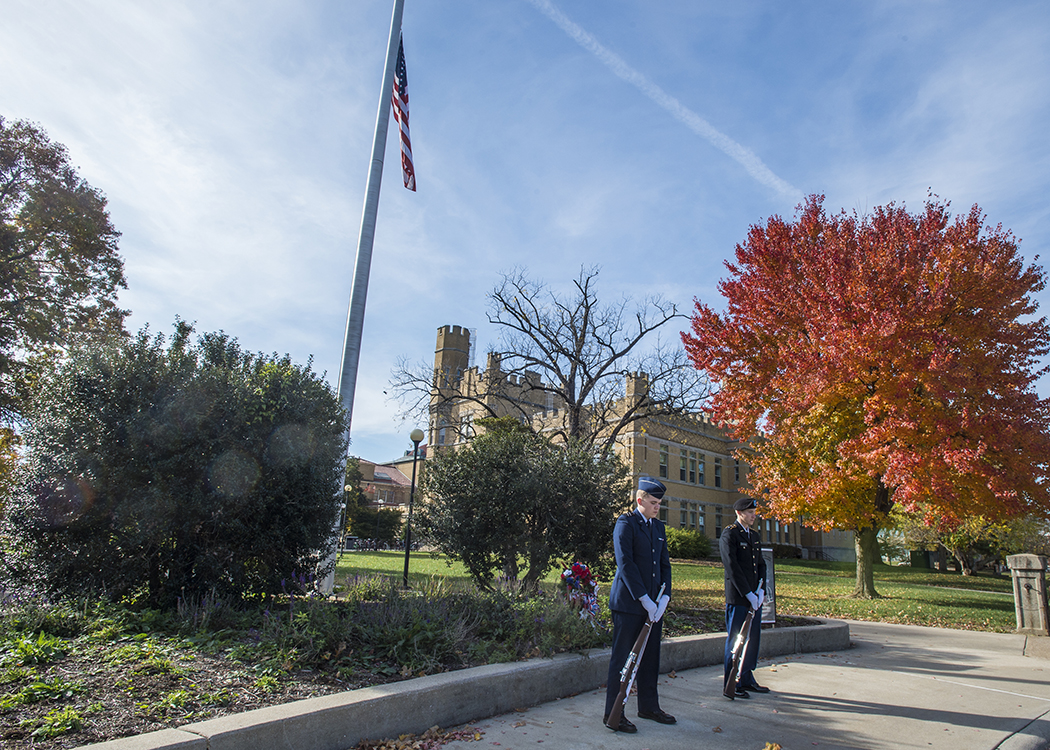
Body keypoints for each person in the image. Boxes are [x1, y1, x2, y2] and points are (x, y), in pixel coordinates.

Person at [603, 476, 675, 733]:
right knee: (622, 660)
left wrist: (664, 597)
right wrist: (644, 597)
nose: (658, 507)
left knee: (651, 658)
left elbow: (664, 564)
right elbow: (626, 563)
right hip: (629, 604)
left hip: (654, 606)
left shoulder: (658, 528)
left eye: (659, 503)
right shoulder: (626, 523)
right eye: (653, 502)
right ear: (639, 500)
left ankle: (648, 706)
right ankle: (614, 712)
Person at [720, 496, 769, 698]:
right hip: (739, 597)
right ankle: (730, 681)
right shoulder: (730, 534)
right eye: (750, 513)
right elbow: (732, 566)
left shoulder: (754, 536)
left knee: (753, 639)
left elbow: (761, 565)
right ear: (739, 513)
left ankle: (747, 677)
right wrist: (748, 593)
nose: (753, 516)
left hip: (754, 599)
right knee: (735, 640)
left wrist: (761, 590)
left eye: (754, 512)